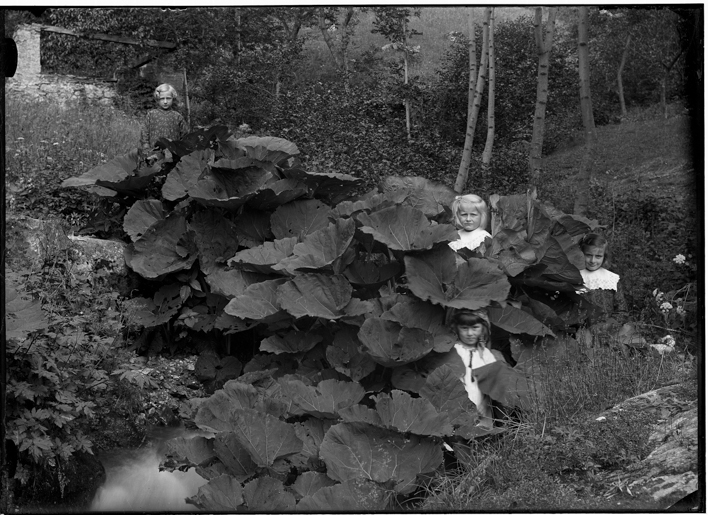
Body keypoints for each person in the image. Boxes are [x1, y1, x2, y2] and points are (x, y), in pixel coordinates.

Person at [576, 233, 644, 352]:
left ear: (604, 257)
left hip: (611, 328)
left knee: (628, 341)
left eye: (598, 256)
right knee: (586, 347)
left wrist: (609, 325)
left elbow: (622, 310)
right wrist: (584, 325)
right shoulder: (575, 277)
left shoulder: (611, 279)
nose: (593, 260)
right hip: (584, 329)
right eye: (588, 255)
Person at [140, 83, 189, 163]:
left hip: (173, 154)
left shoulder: (177, 117)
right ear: (157, 99)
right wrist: (146, 146)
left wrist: (181, 150)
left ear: (173, 98)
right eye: (162, 99)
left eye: (168, 98)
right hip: (153, 153)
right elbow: (144, 132)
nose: (165, 102)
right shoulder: (151, 115)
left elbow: (185, 135)